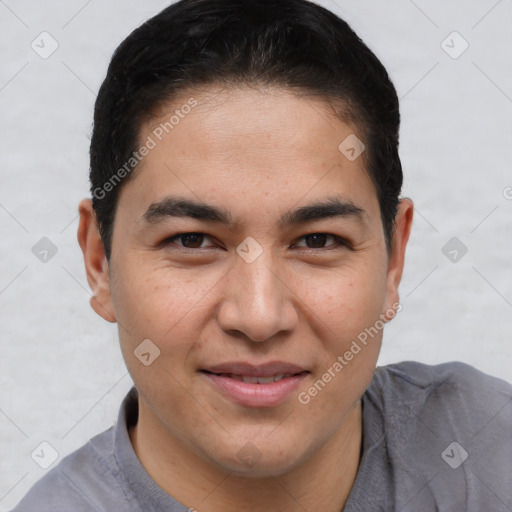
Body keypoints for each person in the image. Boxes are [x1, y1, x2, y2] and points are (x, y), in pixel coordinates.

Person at [12, 0, 512, 510]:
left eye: (317, 241)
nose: (258, 316)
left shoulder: (490, 446)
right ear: (100, 262)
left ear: (392, 260)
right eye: (192, 241)